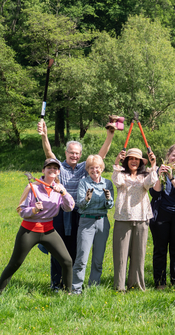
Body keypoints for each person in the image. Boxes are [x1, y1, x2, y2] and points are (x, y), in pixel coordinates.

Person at [37, 120, 114, 290]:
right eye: (71, 153)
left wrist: (109, 136)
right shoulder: (59, 167)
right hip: (59, 213)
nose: (74, 156)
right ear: (66, 152)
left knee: (75, 250)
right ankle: (56, 283)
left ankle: (69, 283)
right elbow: (48, 152)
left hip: (78, 213)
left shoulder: (83, 169)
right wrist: (44, 135)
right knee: (57, 250)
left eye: (77, 153)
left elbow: (100, 157)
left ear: (80, 155)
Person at [0, 158, 74, 293]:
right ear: (43, 170)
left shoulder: (60, 188)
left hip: (49, 230)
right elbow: (20, 210)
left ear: (58, 172)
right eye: (49, 167)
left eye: (55, 168)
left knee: (67, 261)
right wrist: (34, 210)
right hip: (29, 230)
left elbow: (69, 207)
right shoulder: (32, 187)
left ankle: (68, 294)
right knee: (15, 263)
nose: (52, 170)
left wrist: (63, 193)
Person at [112, 148, 157, 291]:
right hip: (123, 218)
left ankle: (136, 285)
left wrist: (154, 165)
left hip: (142, 218)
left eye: (137, 159)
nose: (133, 161)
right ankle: (120, 287)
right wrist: (117, 162)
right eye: (131, 159)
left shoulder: (144, 176)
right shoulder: (121, 175)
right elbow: (117, 181)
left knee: (139, 255)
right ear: (126, 161)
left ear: (140, 162)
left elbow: (150, 183)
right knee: (120, 255)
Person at [150, 145, 175, 289]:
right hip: (161, 215)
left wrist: (171, 178)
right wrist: (159, 175)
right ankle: (160, 283)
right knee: (160, 250)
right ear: (168, 155)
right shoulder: (156, 171)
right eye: (174, 155)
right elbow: (154, 193)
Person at [72, 155, 114, 294]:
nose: (94, 170)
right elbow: (80, 205)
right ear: (87, 169)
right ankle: (76, 288)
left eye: (97, 167)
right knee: (82, 257)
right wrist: (87, 199)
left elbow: (110, 206)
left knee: (98, 259)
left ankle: (93, 287)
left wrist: (108, 199)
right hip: (86, 221)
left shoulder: (107, 183)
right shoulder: (84, 183)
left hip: (102, 222)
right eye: (91, 168)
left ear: (101, 168)